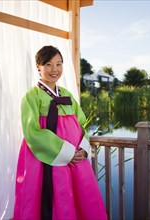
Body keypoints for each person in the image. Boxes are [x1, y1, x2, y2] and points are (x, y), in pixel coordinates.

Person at [14, 45, 107, 220]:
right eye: (48, 64)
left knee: (83, 198)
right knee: (55, 197)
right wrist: (67, 153)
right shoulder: (31, 96)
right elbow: (32, 132)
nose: (54, 69)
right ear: (38, 67)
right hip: (47, 158)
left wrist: (82, 149)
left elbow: (81, 124)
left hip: (76, 159)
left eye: (59, 64)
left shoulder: (66, 95)